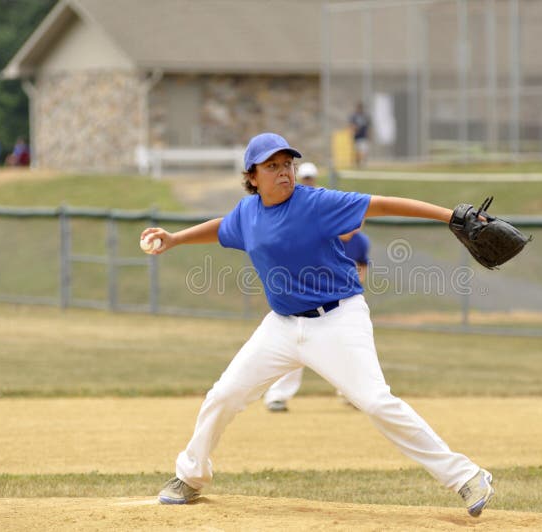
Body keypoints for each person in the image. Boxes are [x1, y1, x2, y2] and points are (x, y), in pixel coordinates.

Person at [140, 132, 494, 517]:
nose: (283, 172)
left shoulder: (317, 203)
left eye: (287, 163)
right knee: (223, 395)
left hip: (338, 319)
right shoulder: (247, 213)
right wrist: (174, 239)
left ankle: (466, 477)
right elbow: (224, 227)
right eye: (272, 166)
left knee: (375, 401)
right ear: (252, 176)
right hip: (281, 326)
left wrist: (450, 217)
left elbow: (384, 204)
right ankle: (190, 477)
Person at [262, 160, 372, 412]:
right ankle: (277, 396)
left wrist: (355, 286)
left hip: (339, 302)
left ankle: (352, 393)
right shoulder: (314, 222)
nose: (308, 183)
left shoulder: (345, 228)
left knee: (346, 347)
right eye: (305, 178)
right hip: (303, 299)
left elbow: (361, 265)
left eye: (311, 178)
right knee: (292, 348)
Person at [349, 102, 371, 168]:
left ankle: (364, 164)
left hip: (364, 137)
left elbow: (368, 126)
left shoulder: (365, 116)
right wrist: (354, 129)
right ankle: (358, 164)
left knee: (364, 151)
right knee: (357, 152)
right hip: (357, 137)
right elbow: (351, 125)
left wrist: (369, 135)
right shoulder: (354, 116)